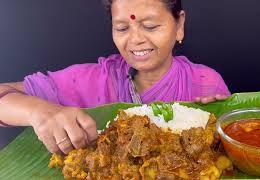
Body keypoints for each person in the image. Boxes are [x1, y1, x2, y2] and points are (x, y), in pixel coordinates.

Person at [0, 0, 230, 154]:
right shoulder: (89, 80)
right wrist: (40, 111)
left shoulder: (206, 82)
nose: (135, 39)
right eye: (122, 28)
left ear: (179, 24)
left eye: (150, 26)